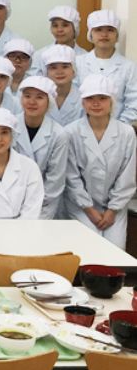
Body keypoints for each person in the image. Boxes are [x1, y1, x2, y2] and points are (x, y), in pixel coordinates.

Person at [65, 74, 136, 249]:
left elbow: (127, 177)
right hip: (80, 205)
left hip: (115, 208)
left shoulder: (126, 133)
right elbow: (71, 177)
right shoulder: (70, 132)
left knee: (115, 251)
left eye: (102, 98)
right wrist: (89, 209)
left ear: (112, 102)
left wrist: (112, 210)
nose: (96, 103)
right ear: (83, 102)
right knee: (89, 248)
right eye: (90, 98)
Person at [13, 76, 69, 219]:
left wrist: (37, 213)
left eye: (39, 97)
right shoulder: (10, 126)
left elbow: (55, 182)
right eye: (27, 96)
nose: (32, 102)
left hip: (45, 207)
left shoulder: (58, 134)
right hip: (10, 202)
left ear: (49, 101)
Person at [75, 10, 137, 124]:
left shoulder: (129, 67)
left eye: (110, 30)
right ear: (90, 34)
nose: (104, 35)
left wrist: (119, 128)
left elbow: (134, 101)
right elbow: (73, 100)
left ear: (117, 35)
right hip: (82, 129)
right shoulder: (78, 63)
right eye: (98, 30)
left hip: (119, 130)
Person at [30, 6, 87, 75]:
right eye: (55, 25)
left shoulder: (85, 57)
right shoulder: (40, 55)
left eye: (65, 25)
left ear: (75, 28)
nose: (59, 30)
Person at [42, 45, 83, 126]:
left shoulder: (83, 98)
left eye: (65, 67)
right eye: (53, 68)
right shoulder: (40, 96)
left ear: (74, 70)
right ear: (46, 72)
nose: (59, 72)